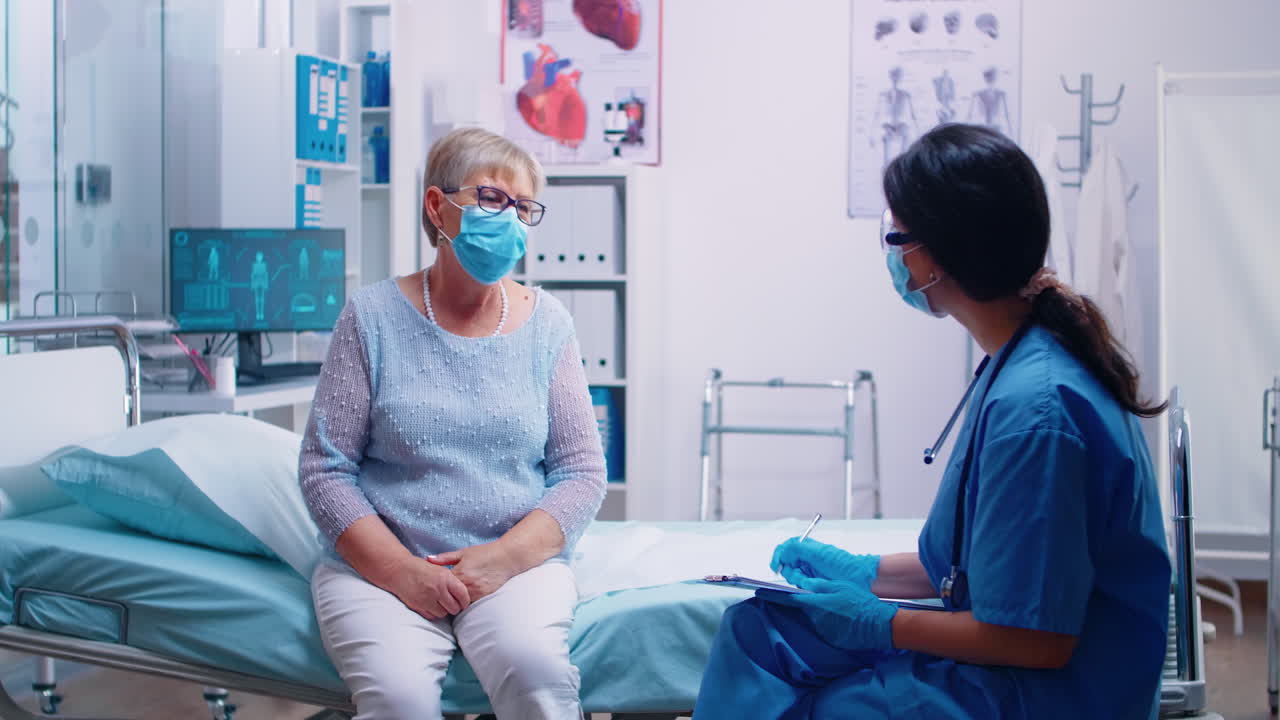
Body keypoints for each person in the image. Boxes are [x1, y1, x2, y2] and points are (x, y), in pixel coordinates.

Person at [694, 124, 1172, 719]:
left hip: (1051, 695)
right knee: (759, 628)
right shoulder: (1020, 361)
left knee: (826, 702)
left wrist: (883, 622)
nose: (893, 256)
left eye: (897, 237)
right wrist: (864, 572)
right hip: (1016, 665)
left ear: (942, 256)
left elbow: (1036, 639)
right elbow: (994, 563)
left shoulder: (1037, 412)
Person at [300, 127, 606, 719]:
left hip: (515, 562)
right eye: (493, 198)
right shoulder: (371, 317)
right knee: (398, 698)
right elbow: (324, 471)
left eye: (522, 207)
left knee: (534, 672)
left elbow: (581, 473)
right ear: (438, 206)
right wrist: (400, 571)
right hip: (381, 566)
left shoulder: (548, 325)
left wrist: (504, 558)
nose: (510, 219)